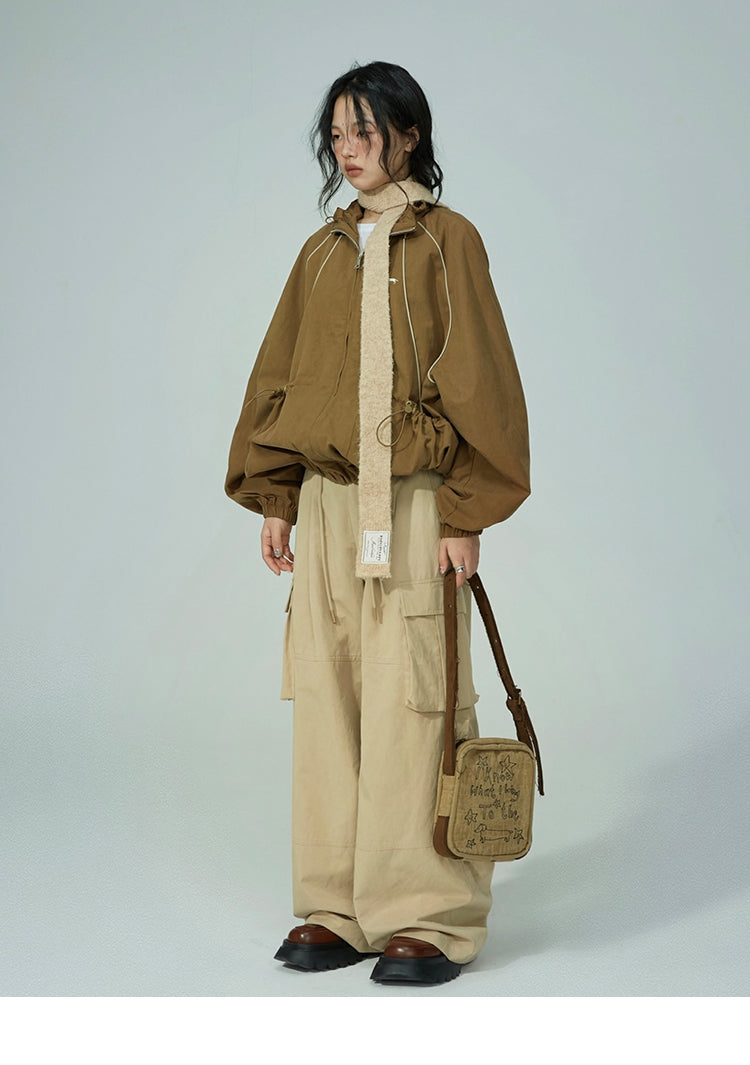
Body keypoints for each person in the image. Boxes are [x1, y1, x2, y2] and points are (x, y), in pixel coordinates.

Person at [224, 60, 530, 986]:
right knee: (329, 696)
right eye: (337, 134)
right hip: (326, 504)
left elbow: (482, 376)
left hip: (414, 501)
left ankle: (427, 912)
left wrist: (466, 512)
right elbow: (280, 375)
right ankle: (337, 905)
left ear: (408, 135)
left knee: (416, 698)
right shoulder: (320, 253)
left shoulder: (447, 242)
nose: (347, 149)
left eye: (364, 131)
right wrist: (277, 495)